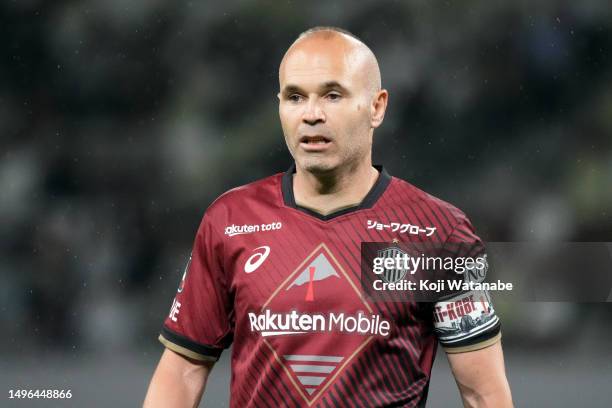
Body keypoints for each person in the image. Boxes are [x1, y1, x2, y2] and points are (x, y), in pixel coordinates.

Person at [144, 26, 513, 408]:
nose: (311, 114)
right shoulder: (230, 220)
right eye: (295, 97)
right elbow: (183, 369)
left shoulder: (436, 231)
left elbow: (482, 393)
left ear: (377, 107)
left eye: (333, 95)